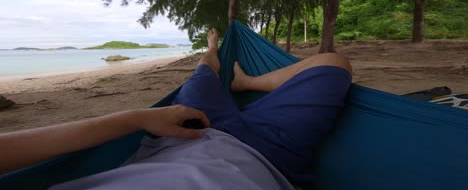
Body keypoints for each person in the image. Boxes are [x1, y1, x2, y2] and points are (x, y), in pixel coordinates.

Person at [0, 29, 352, 189]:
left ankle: (216, 56)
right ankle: (239, 81)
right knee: (332, 63)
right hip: (269, 155)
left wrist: (138, 117)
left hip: (181, 133)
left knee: (201, 73)